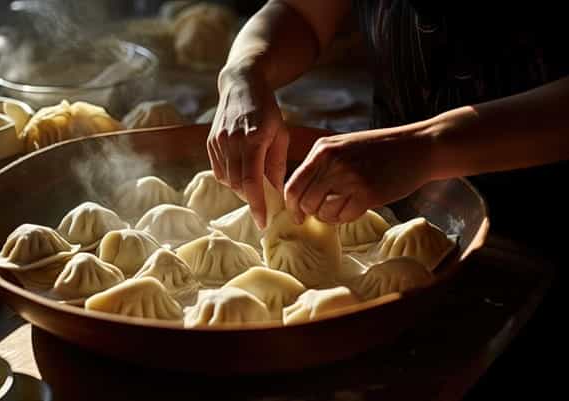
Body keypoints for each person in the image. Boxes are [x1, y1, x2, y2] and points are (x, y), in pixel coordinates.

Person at [207, 0, 568, 397]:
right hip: (392, 198)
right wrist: (243, 71)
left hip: (542, 232)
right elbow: (302, 13)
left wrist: (424, 146)